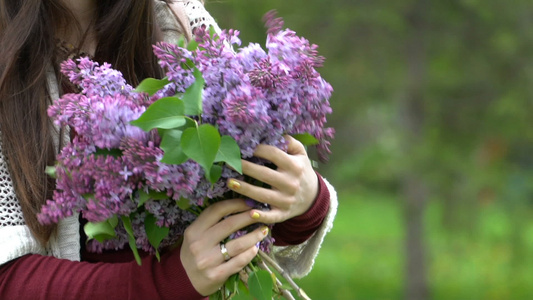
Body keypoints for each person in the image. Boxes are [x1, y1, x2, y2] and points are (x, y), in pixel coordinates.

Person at [0, 0, 338, 299]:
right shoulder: (7, 59)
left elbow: (244, 194)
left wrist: (305, 200)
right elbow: (8, 276)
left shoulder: (177, 23)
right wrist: (169, 281)